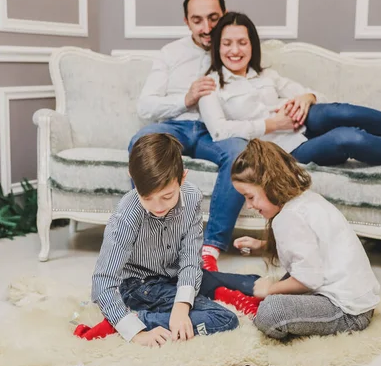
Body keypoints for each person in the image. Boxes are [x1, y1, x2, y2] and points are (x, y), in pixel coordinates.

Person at [198, 12, 381, 170]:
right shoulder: (210, 85)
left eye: (242, 43)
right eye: (227, 44)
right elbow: (220, 132)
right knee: (349, 136)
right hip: (285, 152)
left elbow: (312, 93)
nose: (235, 51)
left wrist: (306, 98)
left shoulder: (267, 75)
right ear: (218, 47)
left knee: (340, 111)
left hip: (301, 127)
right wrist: (272, 123)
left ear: (252, 45)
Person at [75, 134, 262, 345]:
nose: (157, 207)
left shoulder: (192, 197)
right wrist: (136, 332)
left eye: (167, 196)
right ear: (132, 178)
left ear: (182, 178)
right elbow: (103, 282)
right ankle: (133, 320)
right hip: (140, 286)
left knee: (252, 282)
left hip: (174, 274)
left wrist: (181, 306)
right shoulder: (126, 215)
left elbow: (191, 259)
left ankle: (221, 292)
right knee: (223, 319)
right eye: (147, 198)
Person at [130, 0, 244, 272]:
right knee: (141, 141)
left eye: (213, 18)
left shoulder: (235, 46)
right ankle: (155, 239)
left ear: (225, 14)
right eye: (197, 20)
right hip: (174, 126)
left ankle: (210, 249)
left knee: (242, 152)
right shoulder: (171, 53)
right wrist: (187, 98)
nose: (206, 28)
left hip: (213, 131)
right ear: (186, 21)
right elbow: (145, 106)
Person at [231, 139, 380, 339]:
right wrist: (261, 246)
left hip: (346, 312)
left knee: (271, 311)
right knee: (283, 286)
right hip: (359, 300)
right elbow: (309, 248)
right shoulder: (306, 200)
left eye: (250, 197)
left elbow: (308, 280)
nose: (248, 206)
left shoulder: (288, 218)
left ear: (270, 186)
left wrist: (271, 289)